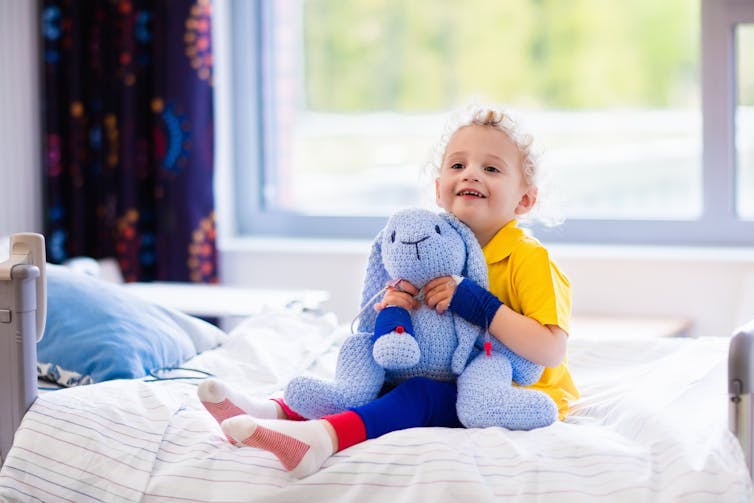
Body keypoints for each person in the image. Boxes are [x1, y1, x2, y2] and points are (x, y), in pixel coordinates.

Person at [198, 105, 577, 478]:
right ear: (438, 189)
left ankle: (321, 439)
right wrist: (395, 310)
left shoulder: (528, 257)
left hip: (502, 393)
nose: (471, 175)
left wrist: (479, 304)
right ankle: (270, 413)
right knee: (372, 379)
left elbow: (550, 349)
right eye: (458, 165)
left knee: (421, 395)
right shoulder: (432, 246)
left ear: (525, 200)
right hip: (450, 372)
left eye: (491, 168)